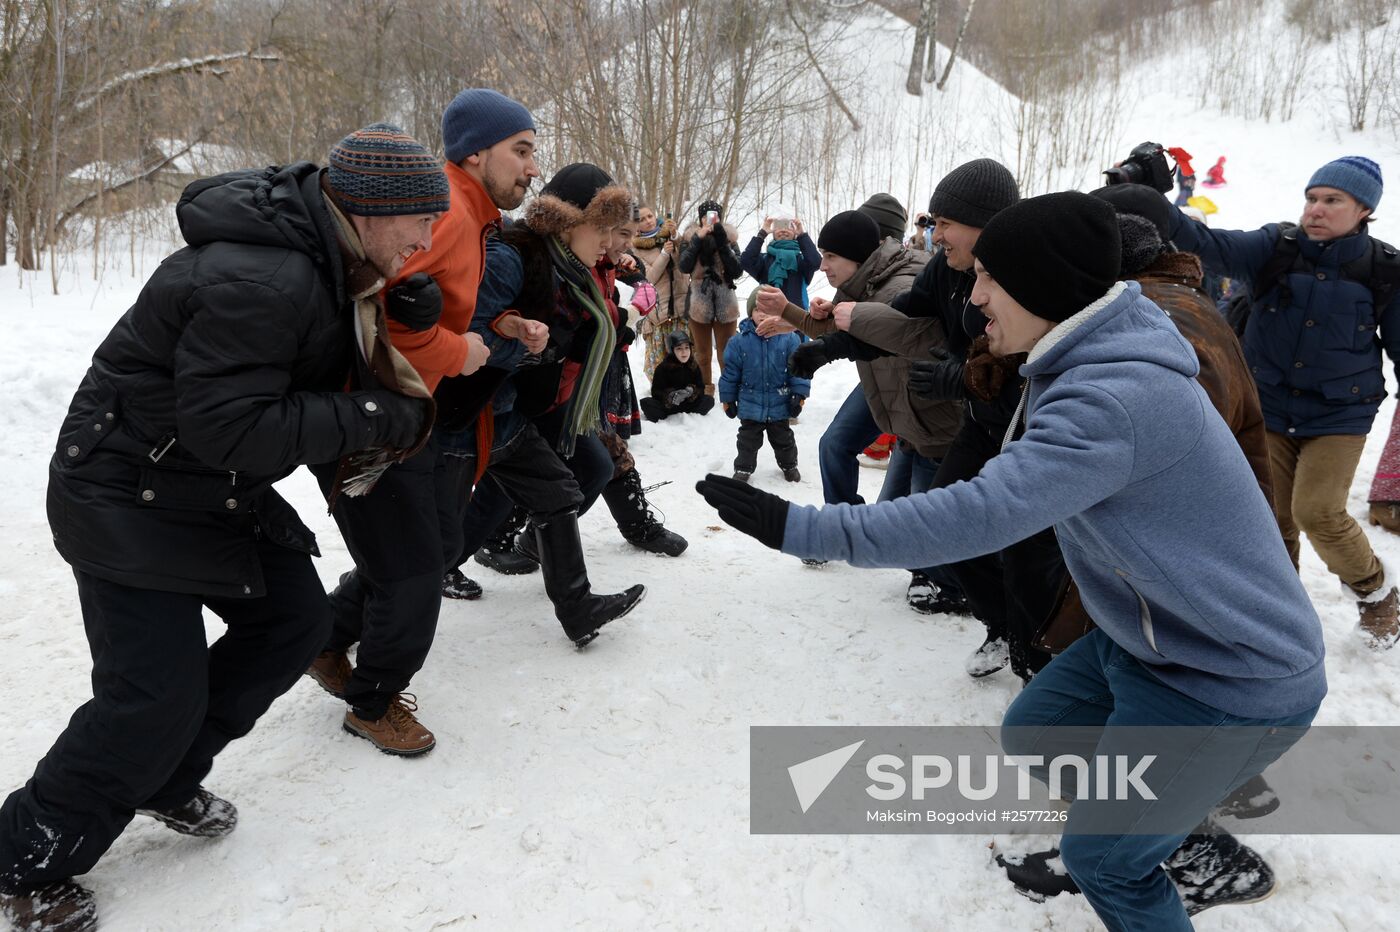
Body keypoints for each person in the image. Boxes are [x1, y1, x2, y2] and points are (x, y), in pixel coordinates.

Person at [696, 191, 1326, 931]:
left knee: (1104, 862)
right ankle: (1162, 820)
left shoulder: (1113, 399)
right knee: (1040, 731)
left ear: (1048, 291)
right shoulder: (1079, 357)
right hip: (1153, 642)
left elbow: (981, 511)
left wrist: (806, 529)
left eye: (992, 278)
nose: (977, 294)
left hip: (1230, 674)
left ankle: (1153, 847)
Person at [0, 124, 447, 932]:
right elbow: (232, 425)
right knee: (151, 696)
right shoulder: (266, 279)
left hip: (199, 484)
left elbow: (275, 379)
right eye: (420, 221)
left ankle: (166, 776)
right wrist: (373, 412)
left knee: (296, 620)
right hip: (123, 487)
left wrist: (381, 308)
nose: (426, 238)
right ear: (372, 212)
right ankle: (25, 855)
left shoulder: (326, 259)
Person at [304, 90, 538, 755]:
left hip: (411, 417)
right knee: (413, 573)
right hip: (376, 422)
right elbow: (373, 322)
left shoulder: (469, 212)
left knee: (430, 550)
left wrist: (494, 326)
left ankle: (323, 640)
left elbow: (419, 309)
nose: (530, 167)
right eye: (519, 150)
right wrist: (458, 352)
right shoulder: (446, 209)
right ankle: (372, 702)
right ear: (475, 151)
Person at [1167, 155, 1400, 647]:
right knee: (1268, 517)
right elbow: (1208, 245)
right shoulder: (1276, 248)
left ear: (1363, 210)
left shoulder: (1384, 269)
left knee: (1317, 512)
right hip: (1268, 405)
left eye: (1331, 200)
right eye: (1311, 198)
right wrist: (1154, 203)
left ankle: (1376, 592)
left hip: (1340, 414)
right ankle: (1280, 608)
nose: (1315, 209)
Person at [719, 304, 810, 482]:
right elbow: (730, 373)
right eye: (757, 310)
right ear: (750, 313)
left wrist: (799, 395)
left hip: (779, 403)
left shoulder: (789, 339)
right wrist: (728, 399)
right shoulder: (739, 341)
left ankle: (789, 465)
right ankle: (743, 469)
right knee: (747, 441)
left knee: (784, 440)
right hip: (750, 404)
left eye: (768, 310)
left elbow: (799, 369)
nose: (763, 314)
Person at [677, 199, 743, 394]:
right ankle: (705, 389)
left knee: (727, 353)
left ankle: (729, 390)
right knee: (702, 353)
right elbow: (684, 266)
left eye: (714, 216)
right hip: (699, 301)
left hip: (726, 300)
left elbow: (737, 270)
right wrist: (698, 239)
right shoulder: (690, 239)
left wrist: (722, 243)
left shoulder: (730, 238)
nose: (710, 220)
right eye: (706, 217)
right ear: (700, 219)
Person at [634, 205, 691, 379]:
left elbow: (686, 263)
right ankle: (661, 394)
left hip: (681, 307)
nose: (648, 221)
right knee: (660, 360)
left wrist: (675, 237)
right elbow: (649, 278)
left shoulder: (670, 237)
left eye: (650, 216)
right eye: (642, 219)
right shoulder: (636, 249)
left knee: (684, 356)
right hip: (659, 311)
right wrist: (664, 255)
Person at [739, 212, 820, 309]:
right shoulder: (764, 259)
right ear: (773, 232)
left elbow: (816, 262)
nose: (783, 230)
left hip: (797, 317)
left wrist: (802, 235)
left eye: (788, 226)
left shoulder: (802, 260)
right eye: (779, 226)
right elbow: (745, 261)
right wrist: (762, 233)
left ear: (795, 232)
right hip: (766, 315)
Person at [642, 330, 714, 420]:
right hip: (669, 407)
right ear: (672, 350)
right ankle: (667, 417)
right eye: (679, 348)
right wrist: (670, 396)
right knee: (646, 403)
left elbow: (701, 388)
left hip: (688, 404)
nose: (684, 352)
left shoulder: (693, 366)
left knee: (709, 400)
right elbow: (656, 392)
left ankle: (690, 413)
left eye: (687, 348)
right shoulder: (663, 368)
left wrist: (691, 391)